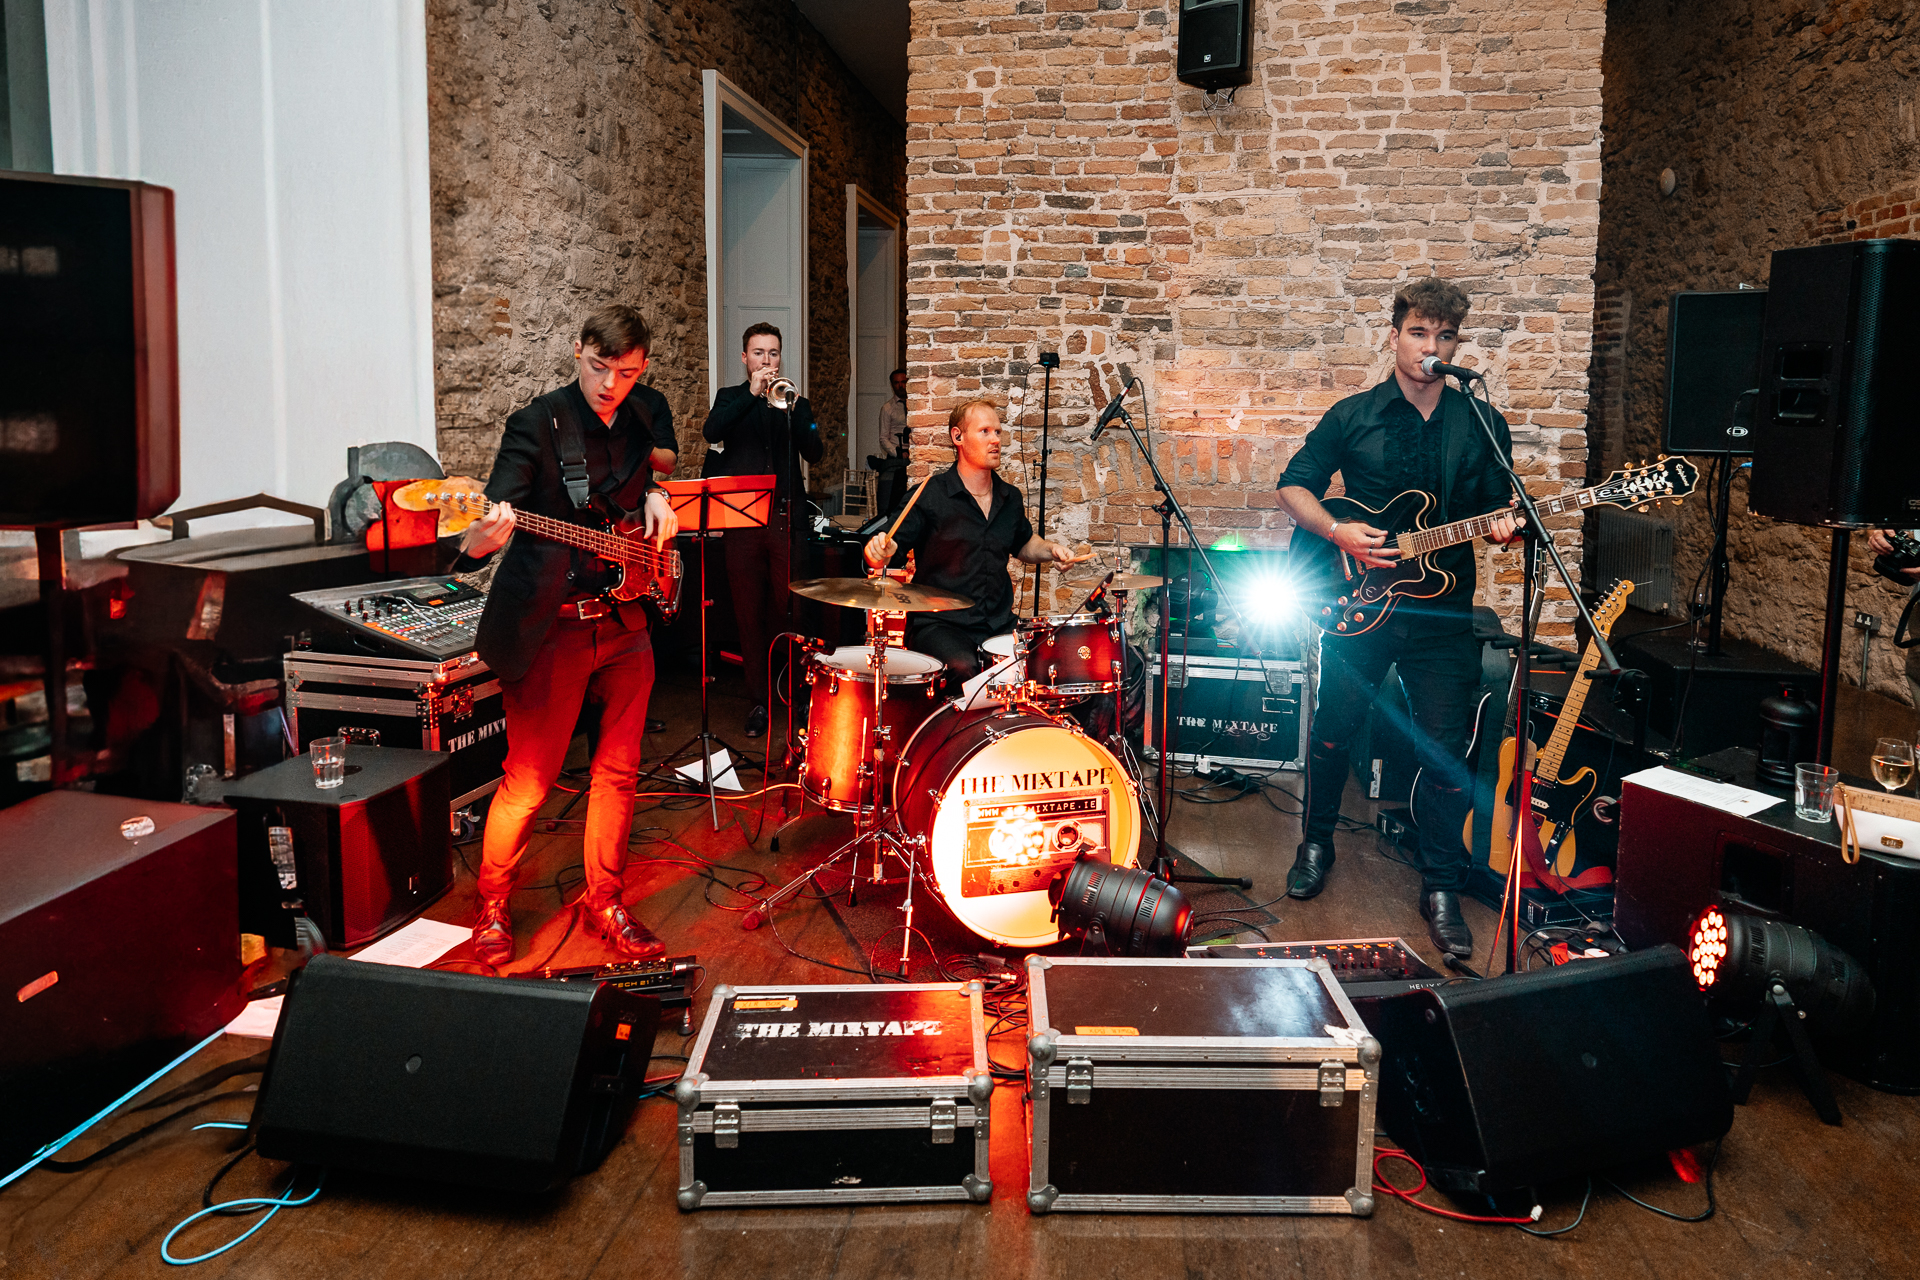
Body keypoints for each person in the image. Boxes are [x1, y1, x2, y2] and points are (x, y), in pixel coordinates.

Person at [1275, 278, 1524, 957]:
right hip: (1360, 607)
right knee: (1332, 733)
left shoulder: (1479, 424)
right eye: (1420, 333)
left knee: (1445, 753)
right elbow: (1293, 485)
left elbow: (1498, 508)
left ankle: (1441, 886)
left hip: (1442, 616)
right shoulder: (1354, 416)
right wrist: (1338, 533)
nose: (1432, 348)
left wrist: (1506, 528)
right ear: (1394, 335)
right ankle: (1317, 843)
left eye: (1445, 337)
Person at [453, 305, 679, 965]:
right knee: (528, 778)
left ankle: (605, 900)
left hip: (625, 619)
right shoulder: (536, 423)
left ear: (643, 369)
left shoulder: (644, 410)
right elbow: (490, 518)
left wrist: (657, 493)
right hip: (553, 625)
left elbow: (643, 478)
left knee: (618, 772)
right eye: (599, 367)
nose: (610, 384)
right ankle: (492, 901)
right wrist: (478, 538)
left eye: (627, 372)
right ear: (577, 351)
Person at [864, 399, 1079, 680]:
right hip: (940, 625)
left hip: (998, 622)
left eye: (998, 432)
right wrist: (880, 551)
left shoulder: (1009, 497)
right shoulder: (930, 495)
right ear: (958, 437)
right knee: (964, 668)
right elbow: (883, 553)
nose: (995, 441)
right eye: (985, 431)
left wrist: (1051, 549)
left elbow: (1024, 543)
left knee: (1049, 664)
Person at [703, 323, 824, 738]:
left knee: (793, 611)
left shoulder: (795, 402)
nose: (767, 361)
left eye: (773, 354)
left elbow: (816, 452)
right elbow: (712, 431)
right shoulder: (730, 399)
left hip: (787, 521)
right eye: (759, 353)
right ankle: (758, 701)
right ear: (745, 358)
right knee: (748, 613)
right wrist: (753, 394)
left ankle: (798, 698)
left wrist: (793, 413)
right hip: (742, 522)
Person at [871, 367, 910, 513]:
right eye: (896, 383)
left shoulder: (918, 406)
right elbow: (883, 438)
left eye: (903, 382)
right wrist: (898, 452)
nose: (900, 385)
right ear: (892, 385)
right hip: (896, 457)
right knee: (889, 500)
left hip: (915, 457)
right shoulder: (887, 408)